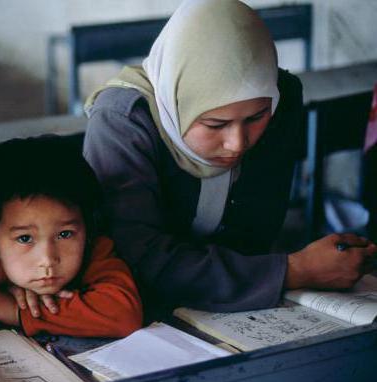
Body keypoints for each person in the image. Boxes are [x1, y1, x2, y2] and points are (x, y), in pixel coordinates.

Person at [83, 0, 377, 315]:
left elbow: (255, 236)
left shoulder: (283, 98)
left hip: (234, 308)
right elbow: (136, 260)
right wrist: (293, 270)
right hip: (137, 310)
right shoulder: (124, 121)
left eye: (256, 118)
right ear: (176, 101)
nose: (237, 143)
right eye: (215, 124)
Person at [0, 136, 143, 337]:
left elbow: (123, 315)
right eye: (25, 238)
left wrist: (22, 312)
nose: (48, 260)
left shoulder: (93, 248)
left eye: (64, 234)